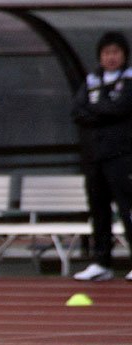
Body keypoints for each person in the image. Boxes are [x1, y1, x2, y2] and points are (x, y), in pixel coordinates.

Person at [72, 31, 132, 282]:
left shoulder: (129, 80)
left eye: (115, 52)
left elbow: (122, 108)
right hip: (95, 156)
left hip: (123, 156)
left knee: (128, 208)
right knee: (98, 210)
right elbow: (78, 111)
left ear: (124, 55)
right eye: (106, 53)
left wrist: (97, 111)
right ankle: (101, 262)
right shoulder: (91, 80)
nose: (111, 57)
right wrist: (104, 112)